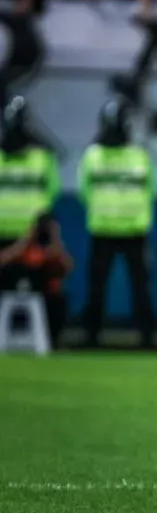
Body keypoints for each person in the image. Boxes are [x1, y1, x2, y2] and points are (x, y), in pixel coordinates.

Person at [78, 97, 156, 348]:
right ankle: (92, 334)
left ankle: (146, 336)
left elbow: (85, 191)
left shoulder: (136, 155)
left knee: (140, 287)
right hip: (108, 229)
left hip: (131, 229)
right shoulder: (95, 155)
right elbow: (84, 190)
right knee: (98, 287)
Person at [0, 211, 72, 347]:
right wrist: (26, 239)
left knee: (60, 301)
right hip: (15, 292)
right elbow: (3, 259)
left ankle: (52, 340)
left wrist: (56, 238)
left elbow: (67, 267)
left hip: (43, 295)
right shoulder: (25, 247)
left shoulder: (52, 249)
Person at [0, 96, 59, 252]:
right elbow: (52, 192)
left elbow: (52, 192)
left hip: (34, 237)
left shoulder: (42, 159)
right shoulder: (43, 157)